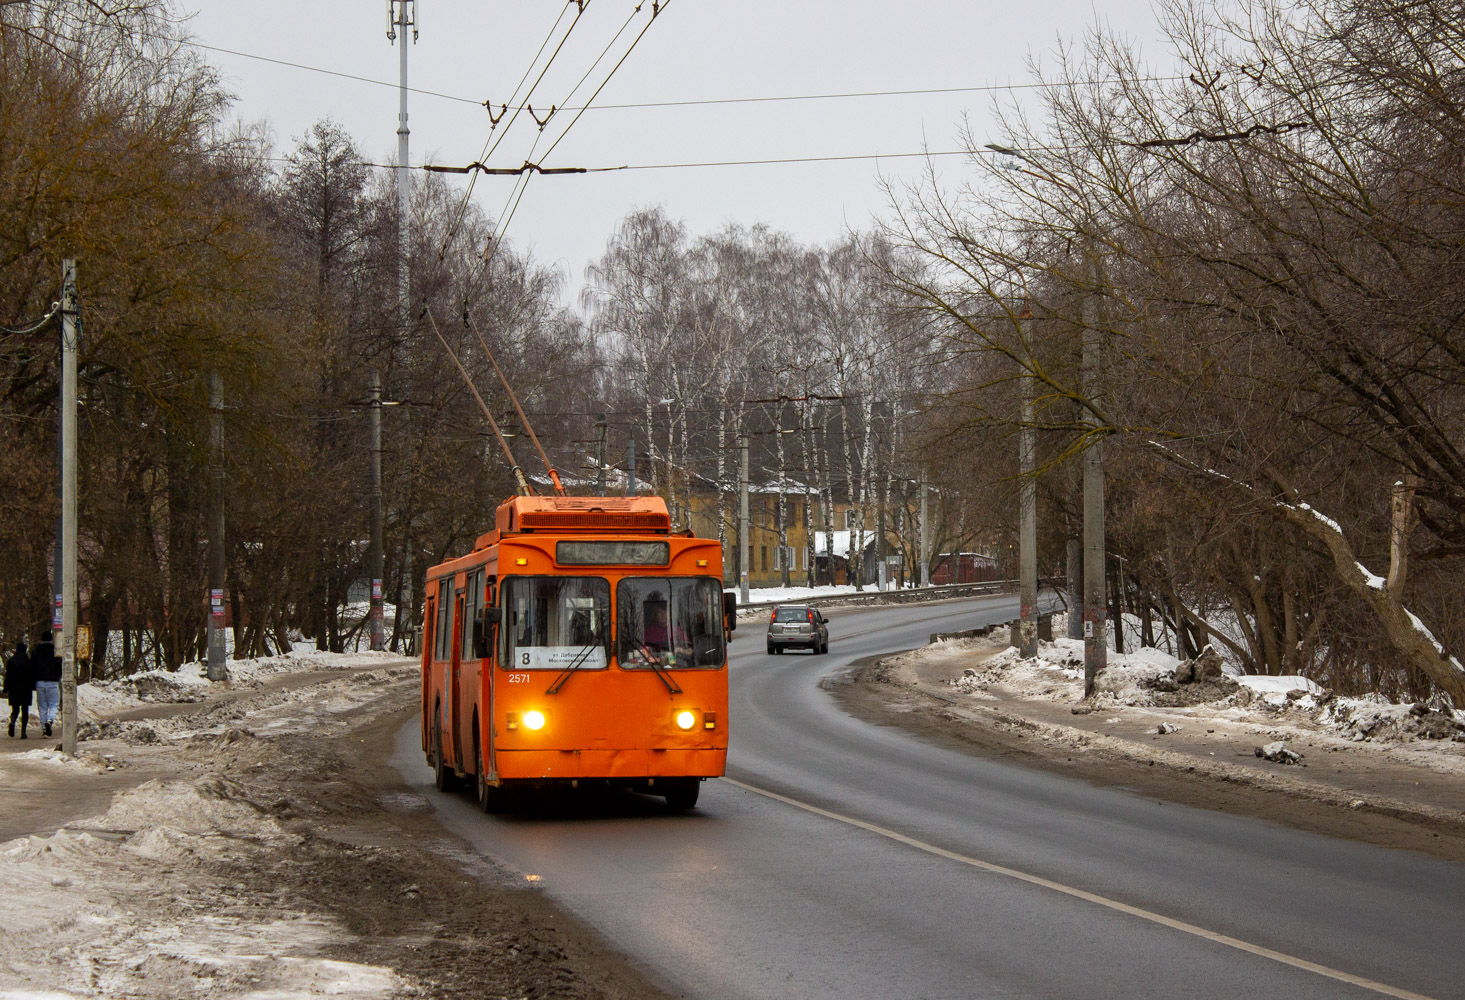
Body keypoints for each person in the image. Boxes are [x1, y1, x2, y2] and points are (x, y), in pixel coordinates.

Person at [31, 631, 60, 738]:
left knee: (42, 707)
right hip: (52, 682)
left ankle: (44, 730)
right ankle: (50, 720)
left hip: (39, 682)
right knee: (54, 704)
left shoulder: (35, 653)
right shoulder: (56, 652)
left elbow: (32, 669)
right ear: (51, 639)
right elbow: (59, 667)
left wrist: (33, 683)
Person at [5, 640, 33, 739]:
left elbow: (8, 676)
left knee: (15, 709)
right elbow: (30, 676)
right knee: (25, 710)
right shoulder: (27, 662)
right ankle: (23, 731)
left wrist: (6, 688)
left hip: (14, 689)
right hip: (25, 689)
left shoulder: (10, 661)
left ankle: (12, 722)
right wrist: (33, 686)